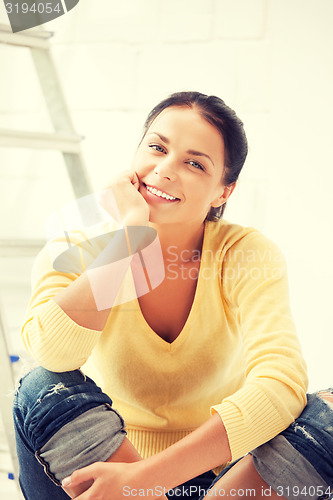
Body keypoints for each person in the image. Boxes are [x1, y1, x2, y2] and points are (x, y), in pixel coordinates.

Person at [13, 91, 333, 500]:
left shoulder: (246, 253)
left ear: (224, 191)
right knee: (42, 386)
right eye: (157, 148)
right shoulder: (75, 246)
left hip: (217, 482)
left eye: (195, 163)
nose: (164, 170)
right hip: (107, 470)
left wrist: (143, 480)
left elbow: (282, 382)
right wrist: (130, 235)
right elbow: (54, 354)